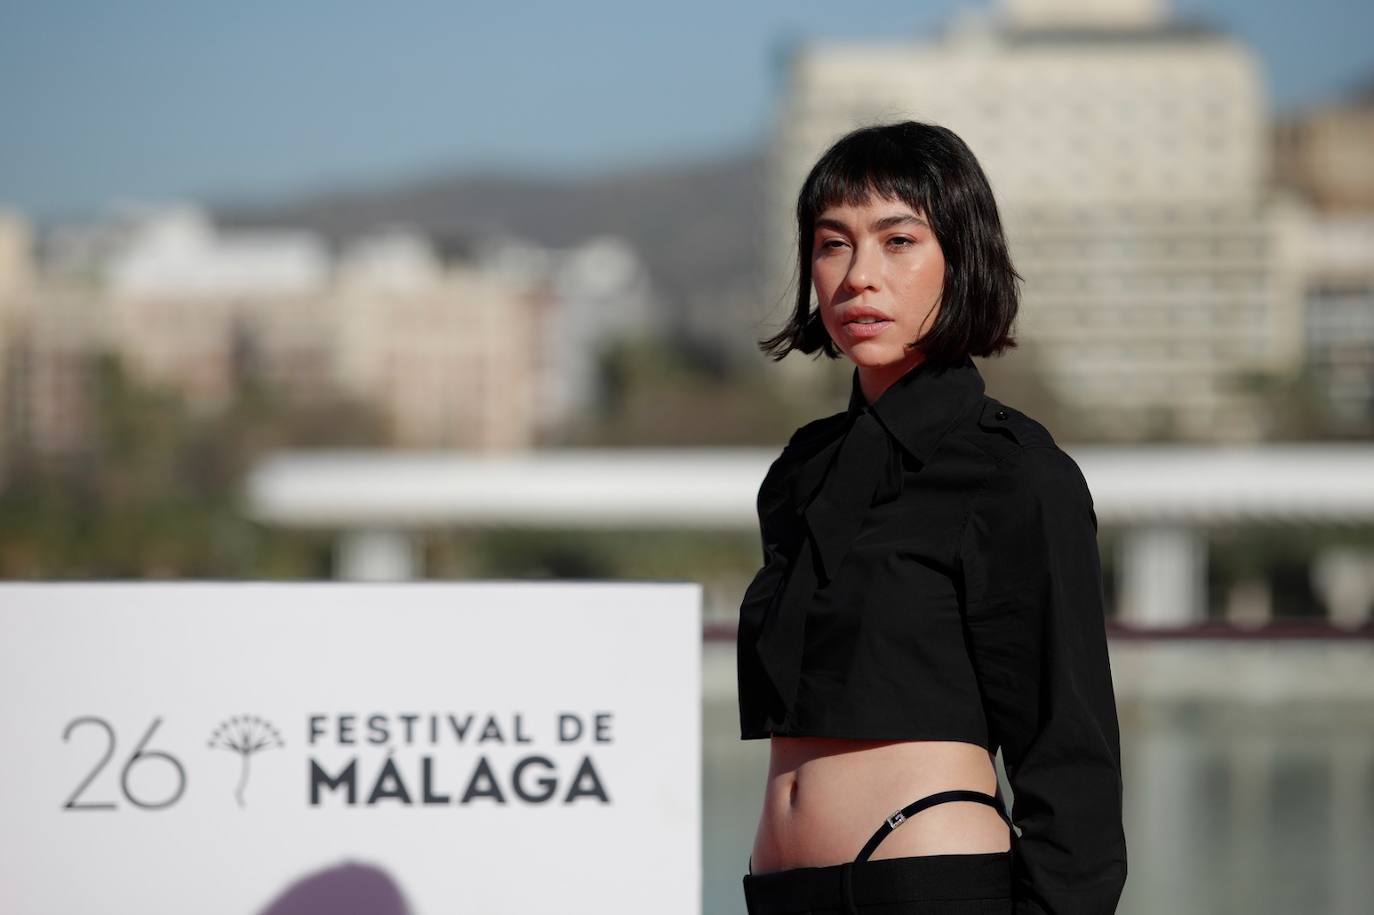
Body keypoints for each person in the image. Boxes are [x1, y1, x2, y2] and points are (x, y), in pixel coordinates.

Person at [737, 121, 1127, 914]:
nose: (858, 277)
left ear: (963, 257)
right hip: (781, 889)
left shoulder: (1014, 473)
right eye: (832, 243)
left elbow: (1069, 748)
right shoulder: (799, 472)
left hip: (926, 884)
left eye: (898, 240)